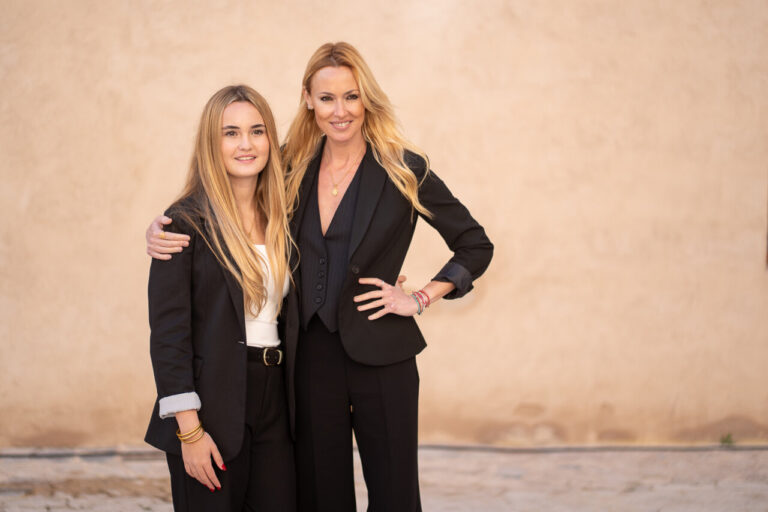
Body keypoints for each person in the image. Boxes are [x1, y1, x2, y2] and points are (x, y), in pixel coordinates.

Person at [146, 42, 493, 512]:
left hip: (383, 359)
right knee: (320, 499)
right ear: (308, 99)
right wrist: (162, 229)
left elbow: (475, 243)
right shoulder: (288, 165)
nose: (340, 110)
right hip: (308, 364)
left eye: (351, 96)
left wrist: (421, 298)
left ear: (366, 98)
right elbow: (227, 202)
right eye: (327, 98)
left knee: (395, 499)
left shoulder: (404, 168)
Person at [144, 85, 296, 512]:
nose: (246, 144)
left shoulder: (287, 217)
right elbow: (169, 335)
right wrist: (189, 434)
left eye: (257, 131)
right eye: (231, 133)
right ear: (212, 143)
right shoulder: (183, 223)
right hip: (211, 404)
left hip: (277, 403)